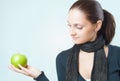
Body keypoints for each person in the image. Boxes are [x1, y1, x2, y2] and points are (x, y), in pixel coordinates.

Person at [9, 0, 120, 81]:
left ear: (97, 26)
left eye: (78, 27)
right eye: (69, 25)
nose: (71, 32)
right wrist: (38, 76)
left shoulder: (117, 54)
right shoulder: (63, 58)